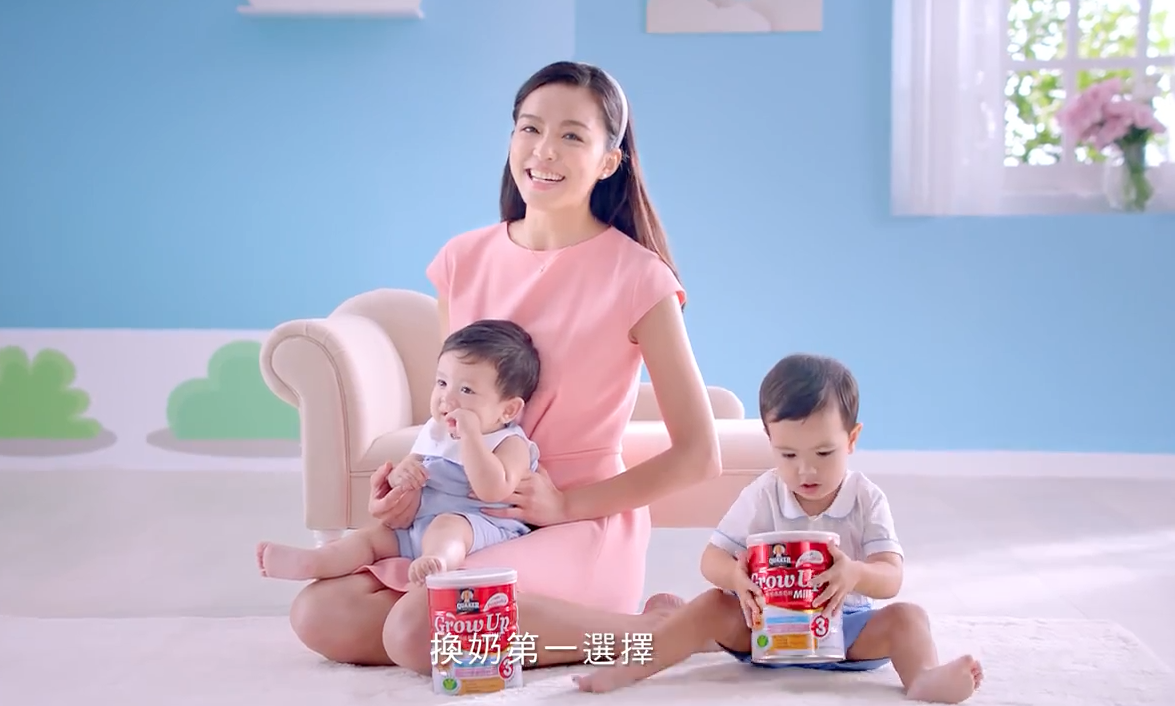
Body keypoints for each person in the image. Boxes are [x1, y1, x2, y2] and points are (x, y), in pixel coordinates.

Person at [283, 60, 723, 673]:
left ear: (609, 161)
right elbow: (454, 407)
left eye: (572, 135)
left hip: (579, 523)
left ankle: (657, 634)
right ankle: (647, 628)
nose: (544, 150)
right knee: (322, 613)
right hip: (468, 518)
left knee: (420, 625)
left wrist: (565, 506)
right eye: (530, 128)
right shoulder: (463, 259)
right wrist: (412, 485)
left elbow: (699, 455)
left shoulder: (640, 278)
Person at [574, 354, 985, 704]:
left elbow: (891, 576)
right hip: (765, 628)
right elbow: (711, 559)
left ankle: (923, 677)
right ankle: (629, 669)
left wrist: (856, 573)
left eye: (824, 453)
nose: (806, 470)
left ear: (852, 440)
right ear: (769, 440)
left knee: (909, 617)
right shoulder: (763, 493)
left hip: (844, 630)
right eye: (788, 454)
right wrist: (736, 576)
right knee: (710, 604)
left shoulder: (866, 498)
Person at [255, 319, 543, 586]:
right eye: (442, 383)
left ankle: (439, 563)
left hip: (478, 528)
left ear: (508, 410)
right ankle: (314, 562)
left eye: (466, 390)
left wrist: (471, 437)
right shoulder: (436, 430)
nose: (447, 397)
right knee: (369, 537)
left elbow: (493, 490)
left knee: (448, 526)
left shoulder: (509, 442)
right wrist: (401, 476)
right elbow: (411, 465)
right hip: (418, 525)